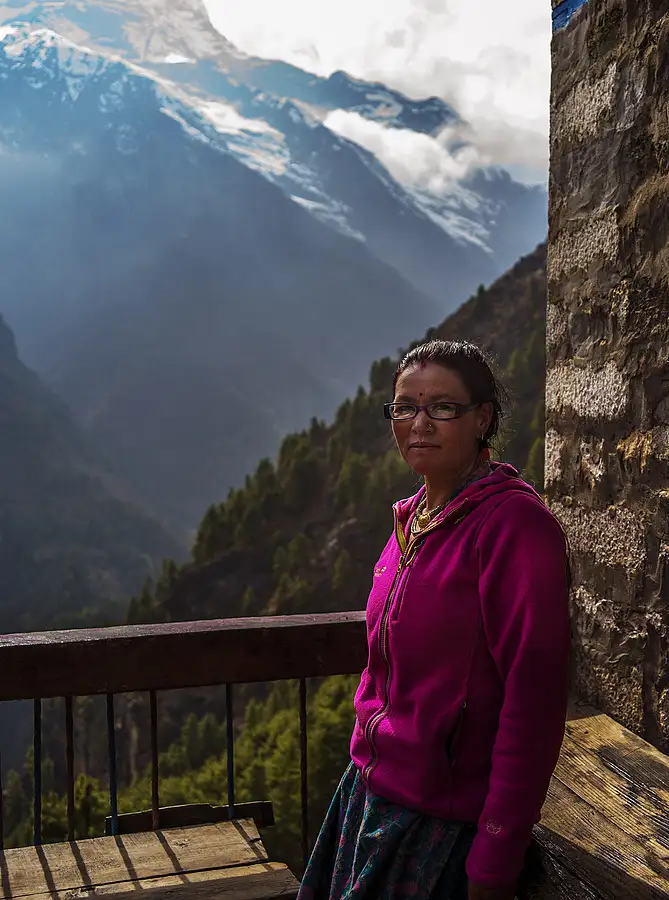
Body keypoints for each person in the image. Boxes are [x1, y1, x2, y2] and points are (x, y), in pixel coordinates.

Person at [298, 339, 571, 900]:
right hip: (369, 796)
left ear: (482, 418)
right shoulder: (414, 520)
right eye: (405, 407)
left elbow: (534, 704)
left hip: (441, 826)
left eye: (442, 407)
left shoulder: (515, 529)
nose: (419, 423)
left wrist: (495, 858)